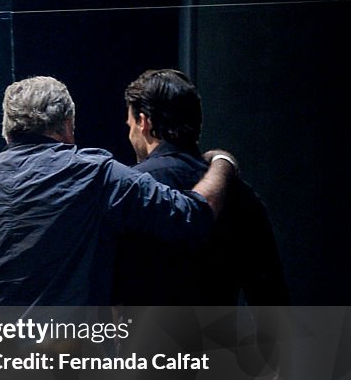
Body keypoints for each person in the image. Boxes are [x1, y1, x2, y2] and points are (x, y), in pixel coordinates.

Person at [0, 75, 237, 310]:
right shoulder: (95, 172)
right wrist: (223, 162)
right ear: (69, 126)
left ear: (7, 130)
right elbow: (192, 217)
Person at [115, 68, 289, 306]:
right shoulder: (240, 194)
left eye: (130, 125)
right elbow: (271, 298)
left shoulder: (129, 189)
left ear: (144, 122)